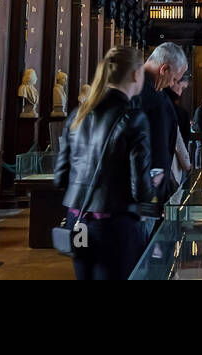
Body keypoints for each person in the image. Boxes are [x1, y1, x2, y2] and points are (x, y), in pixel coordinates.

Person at [53, 47, 155, 280]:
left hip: (77, 221)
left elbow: (60, 178)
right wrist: (154, 182)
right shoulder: (133, 118)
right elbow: (140, 190)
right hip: (113, 225)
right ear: (135, 74)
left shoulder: (78, 113)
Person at [137, 42, 188, 210]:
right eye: (173, 79)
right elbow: (157, 150)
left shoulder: (136, 85)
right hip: (143, 200)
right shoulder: (152, 98)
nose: (170, 85)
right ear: (164, 69)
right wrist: (156, 198)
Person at [166, 73, 194, 180]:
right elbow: (179, 142)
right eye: (181, 87)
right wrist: (187, 165)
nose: (180, 92)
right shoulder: (173, 110)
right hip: (173, 167)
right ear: (174, 81)